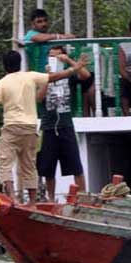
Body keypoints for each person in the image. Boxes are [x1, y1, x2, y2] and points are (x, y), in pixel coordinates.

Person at [0, 49, 88, 200]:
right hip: (31, 129)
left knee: (4, 162)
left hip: (12, 128)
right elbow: (56, 76)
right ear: (20, 64)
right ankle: (32, 201)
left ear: (4, 66)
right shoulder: (31, 76)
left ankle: (12, 197)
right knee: (29, 165)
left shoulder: (1, 83)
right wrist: (75, 68)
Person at [37, 46, 92, 195]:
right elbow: (39, 98)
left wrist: (68, 61)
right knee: (48, 168)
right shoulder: (42, 76)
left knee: (76, 166)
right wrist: (48, 78)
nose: (54, 59)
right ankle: (51, 199)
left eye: (57, 56)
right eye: (51, 56)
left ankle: (82, 197)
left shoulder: (70, 76)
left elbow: (86, 75)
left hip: (66, 125)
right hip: (48, 127)